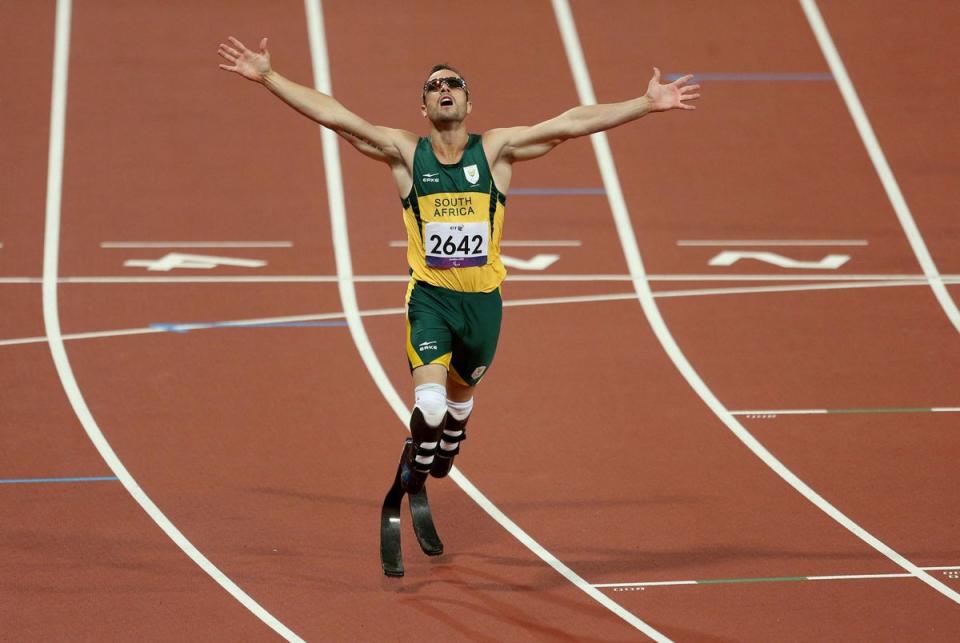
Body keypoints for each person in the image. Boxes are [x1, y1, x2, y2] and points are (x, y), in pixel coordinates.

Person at [218, 37, 699, 494]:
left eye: (453, 85)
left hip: (483, 304)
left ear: (469, 104)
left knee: (460, 397)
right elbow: (337, 116)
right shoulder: (405, 154)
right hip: (429, 298)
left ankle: (452, 435)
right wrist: (269, 77)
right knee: (428, 405)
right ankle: (421, 458)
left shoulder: (496, 151)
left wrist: (645, 104)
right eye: (433, 87)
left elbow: (570, 122)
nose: (443, 90)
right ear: (422, 107)